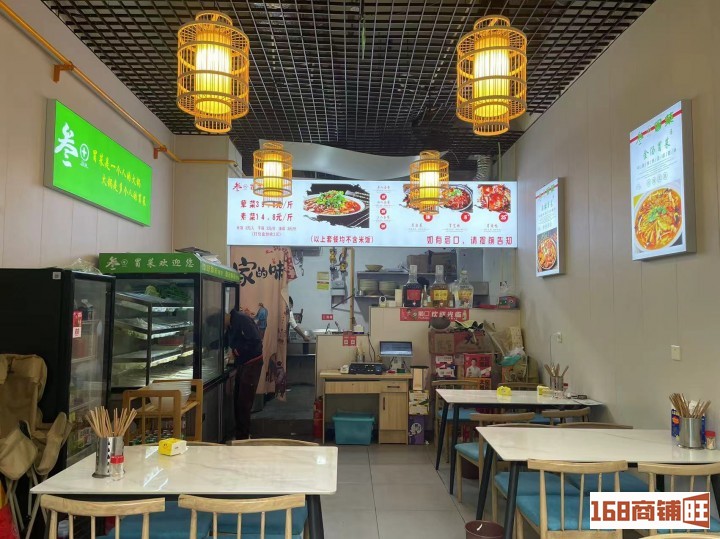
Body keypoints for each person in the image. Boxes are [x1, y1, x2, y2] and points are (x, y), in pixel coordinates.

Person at [225, 308, 263, 440]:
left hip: (252, 363)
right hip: (243, 363)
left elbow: (256, 340)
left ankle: (244, 436)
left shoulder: (242, 320)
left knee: (244, 402)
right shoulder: (231, 324)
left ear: (225, 316)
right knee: (238, 400)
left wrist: (237, 351)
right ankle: (240, 434)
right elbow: (227, 340)